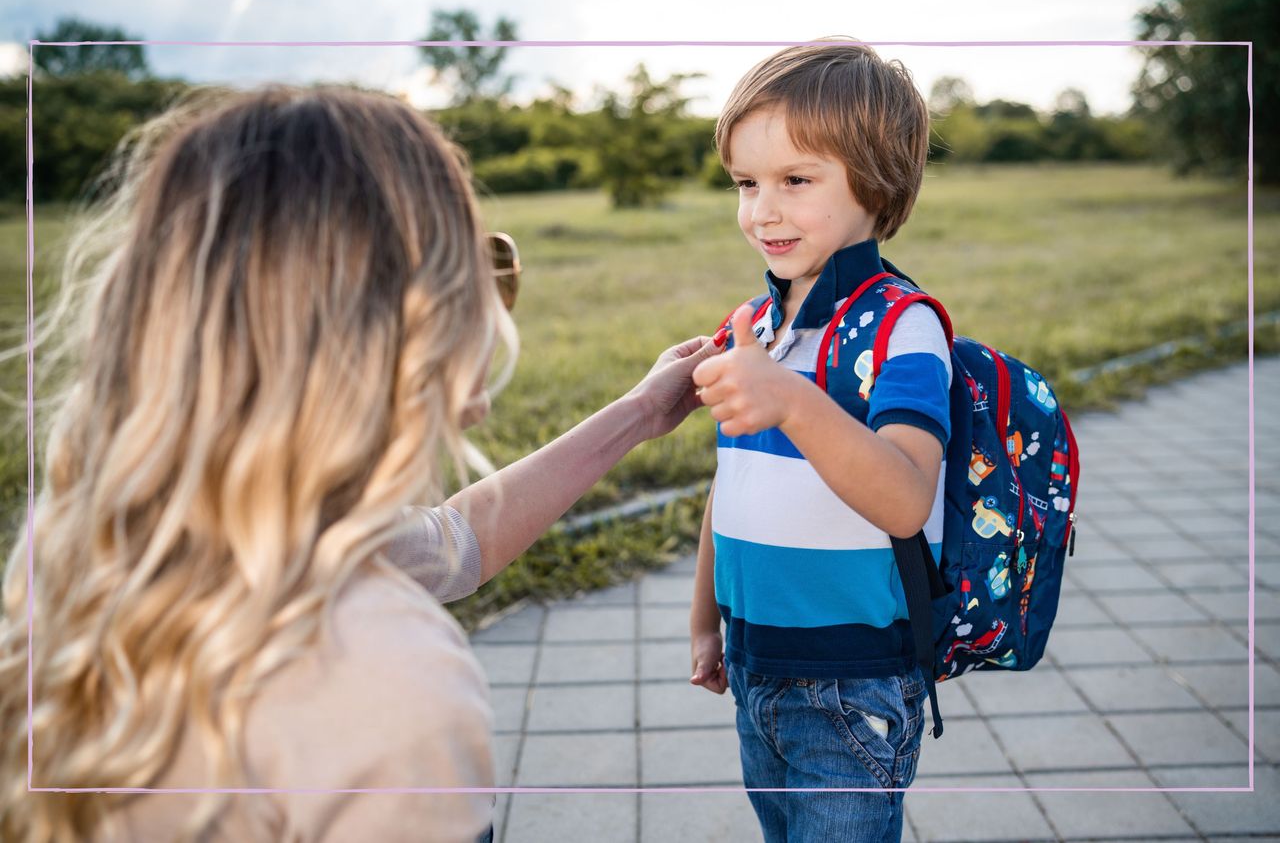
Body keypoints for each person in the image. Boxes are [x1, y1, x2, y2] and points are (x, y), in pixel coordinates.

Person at [0, 85, 720, 842]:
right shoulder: (393, 676)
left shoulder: (82, 539)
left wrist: (641, 413)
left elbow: (450, 545)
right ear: (407, 318)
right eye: (475, 266)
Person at [687, 41, 950, 842]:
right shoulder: (759, 324)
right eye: (746, 183)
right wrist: (706, 617)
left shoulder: (902, 327)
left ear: (877, 183)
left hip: (855, 683)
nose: (762, 210)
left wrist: (793, 400)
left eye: (795, 181)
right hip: (758, 668)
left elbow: (906, 496)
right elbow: (732, 483)